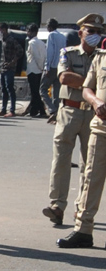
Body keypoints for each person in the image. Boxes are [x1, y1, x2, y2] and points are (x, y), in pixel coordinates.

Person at [46, 14, 104, 228]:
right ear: (80, 33)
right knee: (61, 159)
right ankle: (57, 206)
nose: (95, 36)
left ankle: (82, 207)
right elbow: (64, 78)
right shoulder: (67, 53)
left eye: (99, 32)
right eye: (91, 31)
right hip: (69, 110)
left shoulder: (102, 57)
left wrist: (86, 86)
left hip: (93, 113)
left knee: (90, 164)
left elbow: (73, 79)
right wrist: (93, 85)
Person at [58, 26, 106, 248]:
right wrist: (96, 101)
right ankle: (83, 230)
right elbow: (87, 87)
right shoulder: (101, 56)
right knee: (91, 178)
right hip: (101, 126)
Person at [0, 22, 22, 117]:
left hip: (10, 68)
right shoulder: (2, 40)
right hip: (2, 67)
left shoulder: (11, 40)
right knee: (3, 89)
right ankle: (3, 109)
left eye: (0, 30)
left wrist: (12, 62)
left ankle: (12, 110)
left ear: (5, 30)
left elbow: (20, 51)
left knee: (10, 88)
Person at [42, 18, 66, 117]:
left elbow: (49, 52)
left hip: (51, 66)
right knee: (56, 92)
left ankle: (52, 109)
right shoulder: (63, 36)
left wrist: (47, 67)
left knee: (42, 90)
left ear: (49, 27)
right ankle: (57, 113)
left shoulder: (51, 35)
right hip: (60, 66)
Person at [25, 23, 46, 117]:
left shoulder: (32, 43)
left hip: (33, 69)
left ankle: (41, 110)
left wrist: (40, 67)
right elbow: (44, 56)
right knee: (36, 91)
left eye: (28, 31)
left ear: (33, 32)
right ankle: (34, 111)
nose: (27, 33)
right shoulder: (42, 43)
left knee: (34, 92)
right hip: (39, 70)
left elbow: (37, 57)